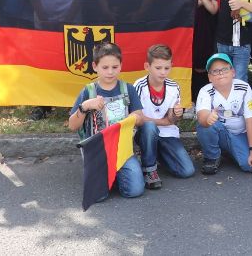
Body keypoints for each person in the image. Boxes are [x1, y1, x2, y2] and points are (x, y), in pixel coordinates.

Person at [66, 42, 146, 200]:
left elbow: (140, 118)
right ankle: (105, 174)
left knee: (135, 191)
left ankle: (116, 174)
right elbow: (72, 126)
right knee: (98, 197)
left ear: (121, 66)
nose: (110, 72)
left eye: (115, 67)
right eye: (105, 67)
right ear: (95, 66)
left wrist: (134, 118)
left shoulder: (128, 89)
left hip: (121, 150)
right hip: (97, 151)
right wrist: (85, 106)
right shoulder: (88, 91)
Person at [132, 45, 196, 189]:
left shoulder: (174, 86)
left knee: (187, 171)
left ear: (171, 66)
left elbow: (172, 120)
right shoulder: (139, 86)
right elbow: (138, 119)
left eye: (166, 68)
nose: (163, 72)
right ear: (147, 66)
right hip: (146, 132)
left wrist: (176, 114)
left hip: (168, 133)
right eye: (158, 68)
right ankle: (149, 169)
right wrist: (164, 121)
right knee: (150, 127)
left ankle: (155, 156)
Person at [195, 53, 252, 175]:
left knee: (250, 166)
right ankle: (213, 157)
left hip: (241, 134)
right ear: (209, 77)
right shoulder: (205, 91)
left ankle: (229, 151)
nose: (220, 73)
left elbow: (250, 120)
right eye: (215, 71)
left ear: (233, 72)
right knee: (205, 126)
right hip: (221, 132)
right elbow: (201, 117)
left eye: (225, 69)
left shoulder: (244, 88)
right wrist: (208, 118)